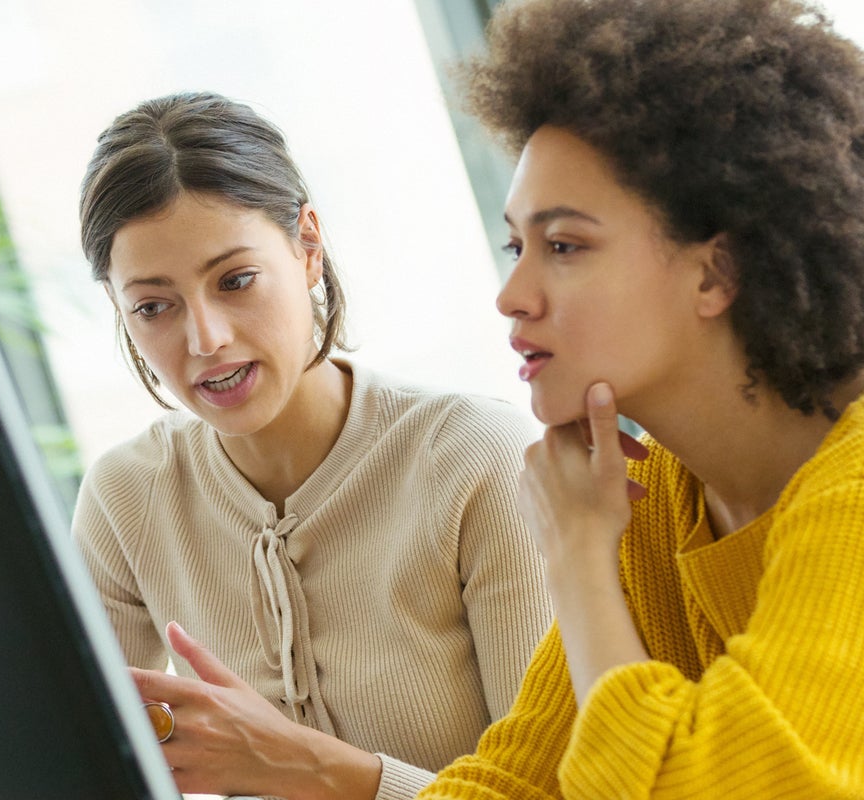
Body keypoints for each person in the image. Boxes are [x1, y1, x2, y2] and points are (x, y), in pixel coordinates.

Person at [417, 0, 864, 797]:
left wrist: (578, 556)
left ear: (714, 274)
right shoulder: (648, 499)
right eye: (515, 245)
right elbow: (508, 785)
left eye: (565, 246)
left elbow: (708, 786)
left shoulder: (854, 489)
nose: (511, 295)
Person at [72, 91, 553, 800]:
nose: (205, 339)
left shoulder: (476, 458)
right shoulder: (125, 497)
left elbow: (554, 792)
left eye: (235, 280)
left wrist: (310, 770)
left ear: (306, 247)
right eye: (153, 306)